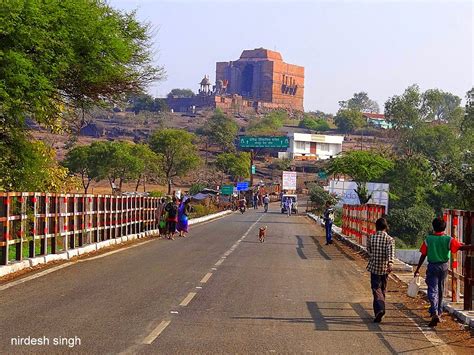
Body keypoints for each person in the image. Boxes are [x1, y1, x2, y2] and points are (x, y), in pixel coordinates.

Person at [414, 217, 474, 327]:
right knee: (440, 289)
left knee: (432, 289)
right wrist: (471, 246)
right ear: (444, 227)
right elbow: (460, 247)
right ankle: (439, 312)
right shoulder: (448, 239)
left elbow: (423, 254)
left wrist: (418, 269)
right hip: (444, 266)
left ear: (433, 227)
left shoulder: (429, 239)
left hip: (432, 266)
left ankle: (434, 312)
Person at [366, 218, 395, 323]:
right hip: (384, 268)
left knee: (375, 289)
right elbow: (390, 253)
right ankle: (380, 309)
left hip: (374, 267)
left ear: (376, 226)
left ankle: (379, 309)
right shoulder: (389, 239)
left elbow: (368, 250)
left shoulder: (371, 237)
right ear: (385, 227)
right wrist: (390, 263)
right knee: (382, 289)